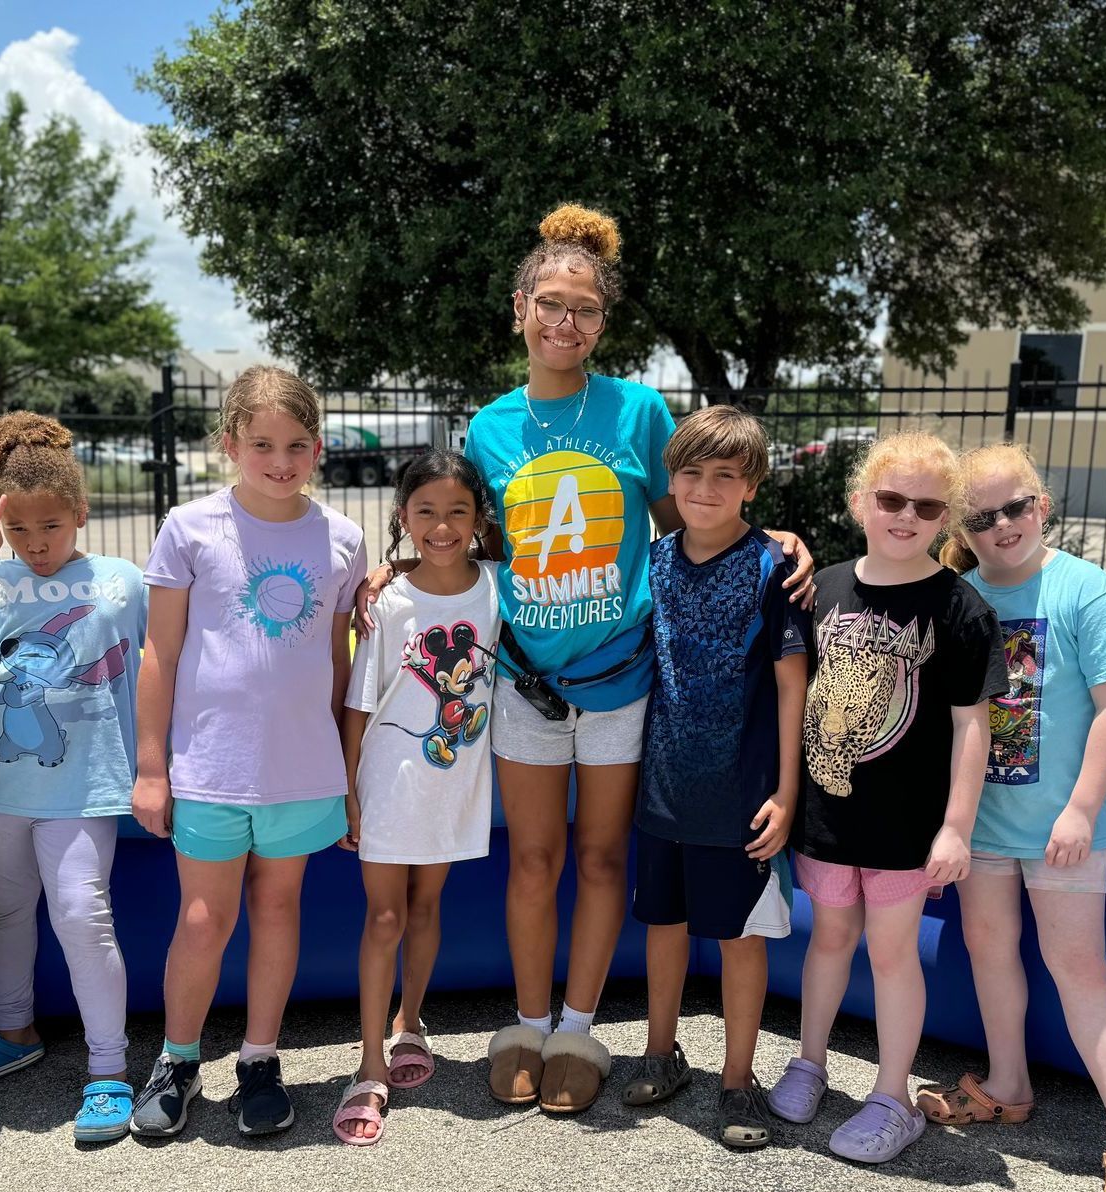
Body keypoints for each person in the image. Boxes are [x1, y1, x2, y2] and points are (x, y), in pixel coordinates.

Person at [361, 203, 813, 1115]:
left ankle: (577, 1027)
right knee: (532, 862)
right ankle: (526, 1022)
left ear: (603, 323)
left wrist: (781, 538)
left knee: (603, 861)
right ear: (519, 308)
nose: (566, 324)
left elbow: (698, 510)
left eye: (586, 310)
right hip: (525, 681)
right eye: (550, 304)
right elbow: (465, 535)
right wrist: (398, 562)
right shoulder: (491, 427)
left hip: (625, 682)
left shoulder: (639, 411)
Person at [921, 444, 1106, 1192]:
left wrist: (1082, 810)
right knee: (989, 949)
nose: (1002, 527)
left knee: (1077, 966)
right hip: (985, 826)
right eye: (982, 519)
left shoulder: (1086, 591)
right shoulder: (962, 597)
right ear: (965, 528)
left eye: (1015, 509)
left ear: (1042, 506)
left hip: (1064, 828)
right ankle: (1009, 1084)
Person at [130, 366, 367, 1139]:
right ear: (229, 442)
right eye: (262, 443)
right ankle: (178, 1060)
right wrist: (152, 766)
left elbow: (340, 658)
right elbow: (159, 654)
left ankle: (260, 1058)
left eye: (297, 444)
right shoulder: (189, 527)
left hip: (300, 768)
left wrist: (340, 760)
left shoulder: (342, 538)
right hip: (211, 769)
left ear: (320, 447)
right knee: (204, 919)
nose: (280, 459)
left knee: (277, 907)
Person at [766, 432, 1007, 1164]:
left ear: (946, 519)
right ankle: (810, 1060)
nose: (906, 515)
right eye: (891, 499)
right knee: (830, 938)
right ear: (859, 502)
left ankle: (892, 1095)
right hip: (829, 815)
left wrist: (956, 828)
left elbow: (973, 728)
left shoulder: (961, 609)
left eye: (927, 505)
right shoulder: (822, 589)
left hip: (907, 826)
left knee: (893, 954)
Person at [0, 412, 147, 1144]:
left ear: (81, 514)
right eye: (21, 530)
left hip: (85, 785)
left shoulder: (122, 581)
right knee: (5, 908)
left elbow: (165, 664)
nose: (36, 544)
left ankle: (108, 1070)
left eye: (52, 527)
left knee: (80, 914)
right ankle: (15, 1031)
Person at [625, 406, 808, 1149]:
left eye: (725, 476)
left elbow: (794, 686)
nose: (705, 488)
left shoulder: (774, 568)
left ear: (752, 486)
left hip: (742, 798)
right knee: (662, 927)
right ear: (671, 480)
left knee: (740, 941)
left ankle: (738, 1082)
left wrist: (786, 793)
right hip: (663, 790)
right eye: (691, 473)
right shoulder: (654, 560)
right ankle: (661, 1053)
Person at [333, 450, 501, 1144]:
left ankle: (410, 1024)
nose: (441, 526)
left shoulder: (500, 589)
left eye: (457, 511)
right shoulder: (386, 604)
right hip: (390, 783)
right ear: (402, 517)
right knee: (383, 918)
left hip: (455, 782)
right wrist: (347, 791)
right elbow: (359, 705)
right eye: (425, 511)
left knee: (428, 907)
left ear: (478, 519)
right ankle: (369, 1062)